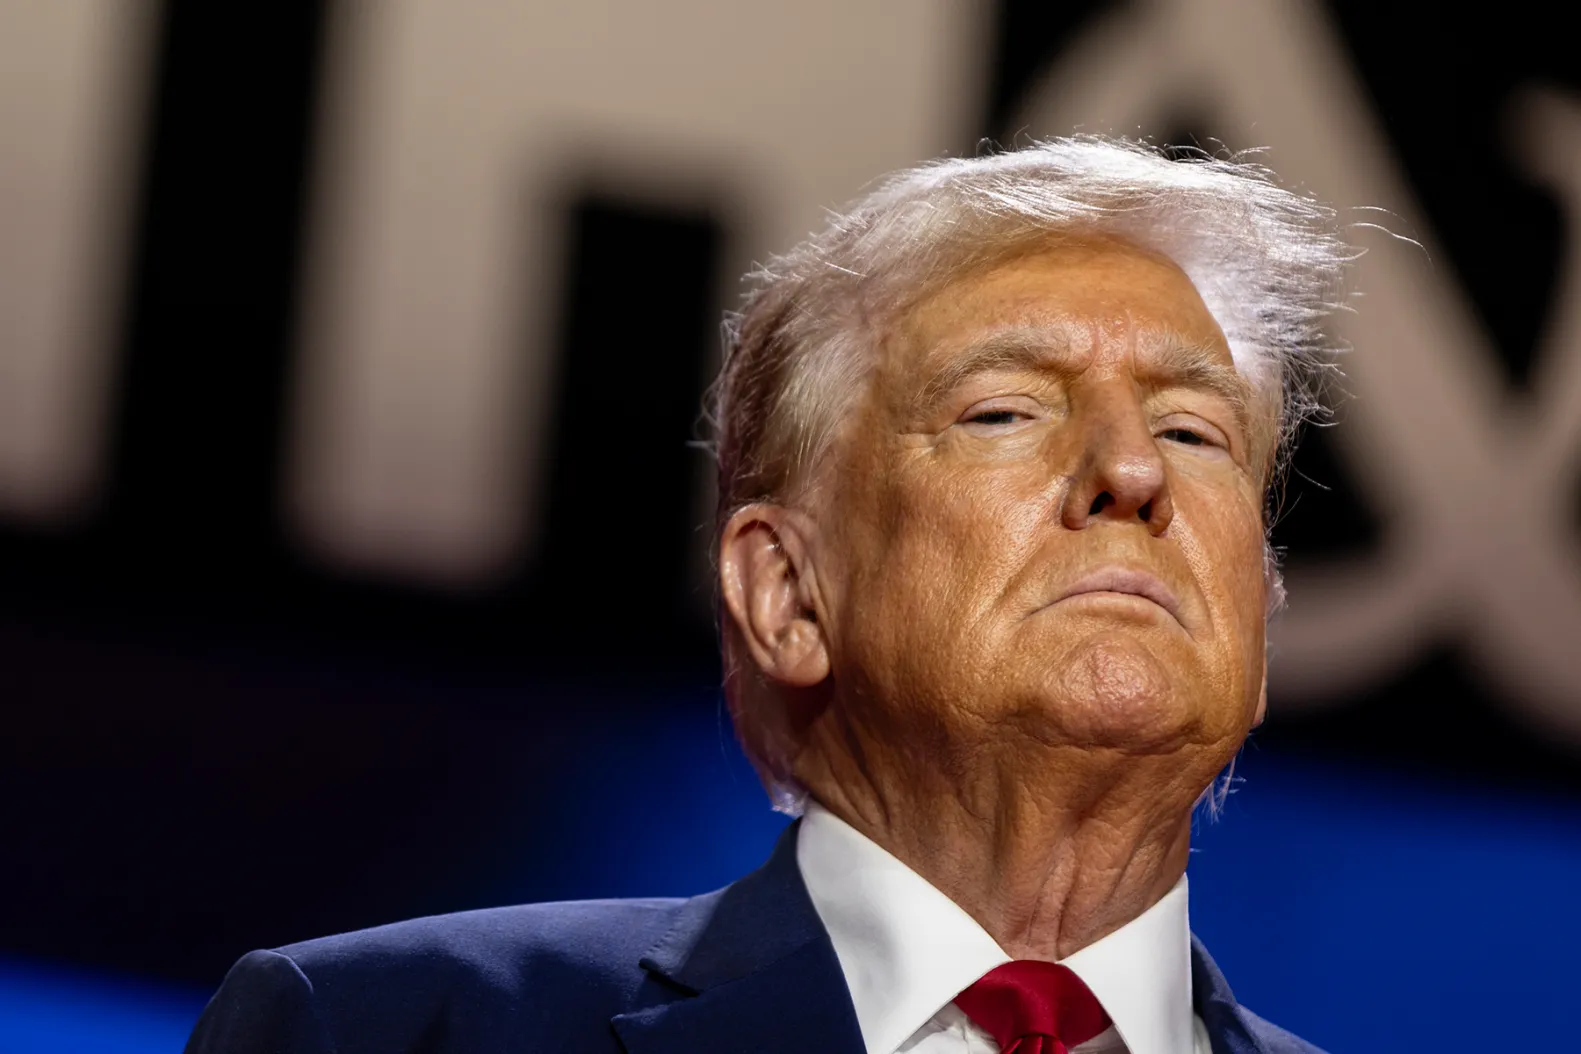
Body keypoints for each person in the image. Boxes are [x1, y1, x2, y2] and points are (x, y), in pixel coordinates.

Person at [186, 138, 1350, 1054]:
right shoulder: (395, 1032)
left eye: (1195, 431)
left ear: (1261, 616)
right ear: (786, 592)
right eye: (1004, 411)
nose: (1135, 473)